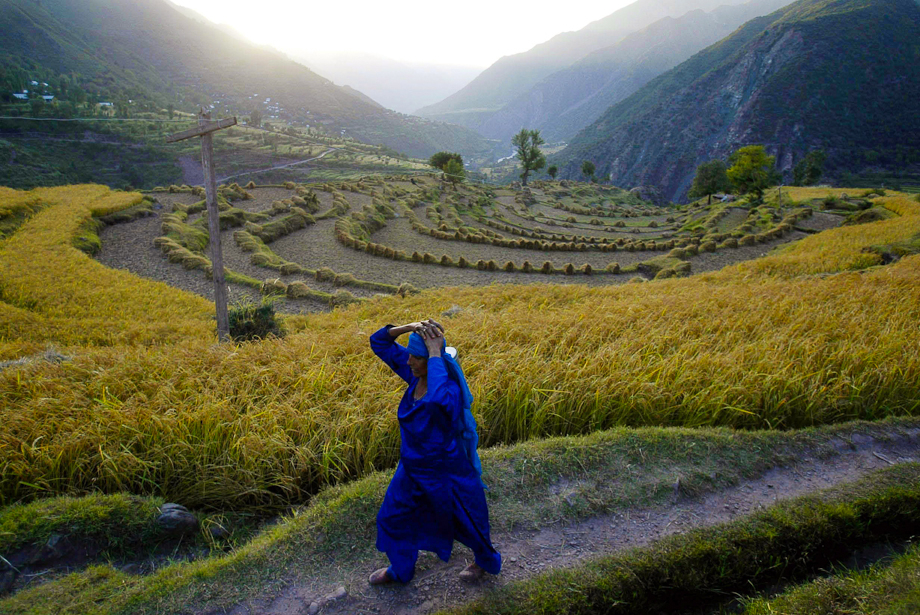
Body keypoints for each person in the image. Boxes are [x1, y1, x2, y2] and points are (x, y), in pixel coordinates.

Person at [368, 319, 501, 585]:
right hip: (411, 468)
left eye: (416, 358)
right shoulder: (414, 375)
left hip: (445, 470)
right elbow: (378, 342)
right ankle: (401, 570)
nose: (408, 362)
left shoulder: (448, 390)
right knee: (392, 517)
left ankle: (485, 562)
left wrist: (436, 354)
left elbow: (439, 401)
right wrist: (409, 327)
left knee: (469, 520)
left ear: (432, 362)